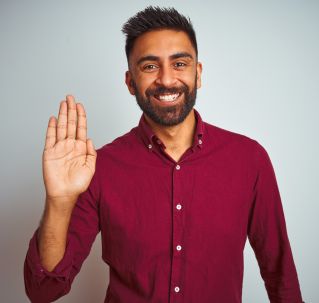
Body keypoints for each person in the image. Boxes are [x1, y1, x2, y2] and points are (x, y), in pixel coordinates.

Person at [24, 6, 304, 303]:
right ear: (131, 82)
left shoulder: (250, 160)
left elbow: (280, 276)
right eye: (149, 66)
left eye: (180, 64)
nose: (167, 80)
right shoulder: (98, 167)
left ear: (198, 73)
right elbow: (44, 290)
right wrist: (58, 201)